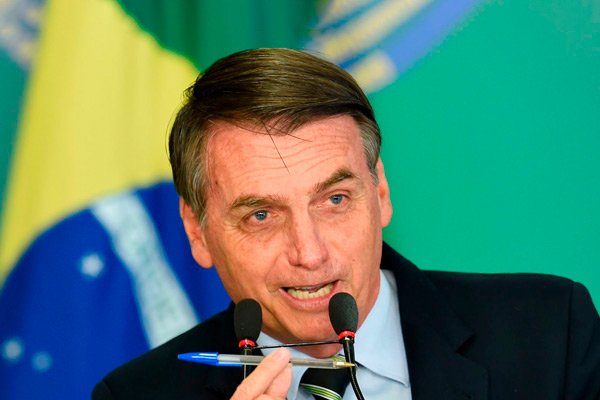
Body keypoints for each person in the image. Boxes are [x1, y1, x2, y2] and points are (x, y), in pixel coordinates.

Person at [92, 48, 600, 400]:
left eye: (334, 199)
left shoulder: (550, 332)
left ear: (380, 192)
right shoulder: (135, 396)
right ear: (197, 231)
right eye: (261, 215)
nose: (310, 253)